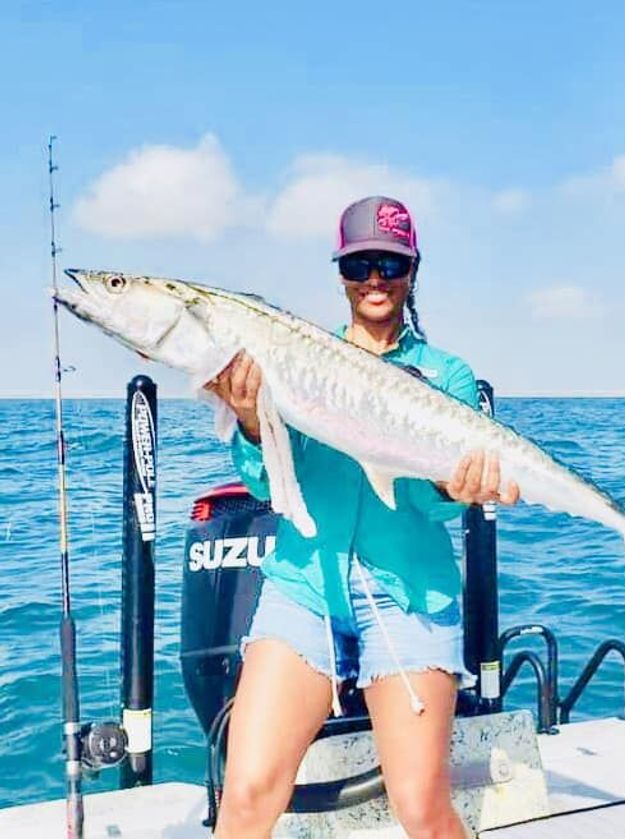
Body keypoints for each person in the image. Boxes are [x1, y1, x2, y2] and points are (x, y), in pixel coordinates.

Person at [206, 196, 520, 839]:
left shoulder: (446, 375)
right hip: (303, 588)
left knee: (421, 808)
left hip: (410, 593)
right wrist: (247, 418)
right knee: (245, 793)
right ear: (341, 273)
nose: (374, 279)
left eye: (389, 263)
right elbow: (271, 484)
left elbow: (439, 504)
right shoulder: (295, 358)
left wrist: (459, 486)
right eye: (359, 265)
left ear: (412, 270)